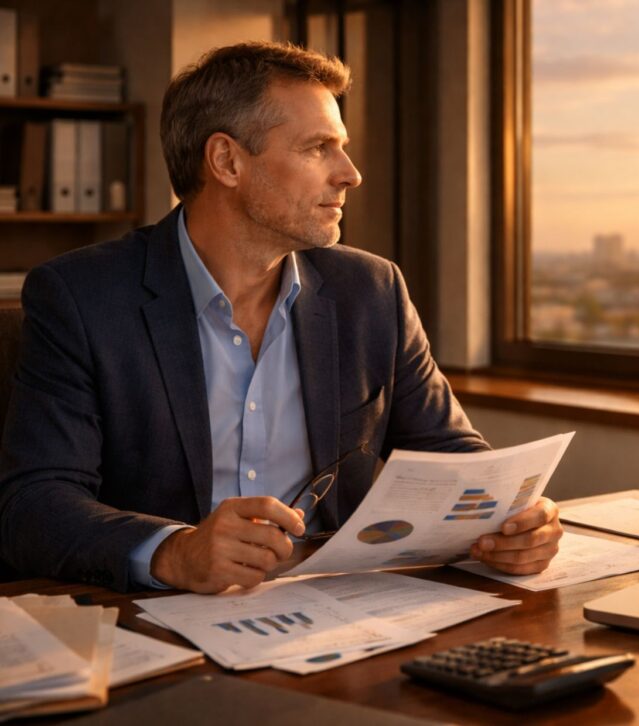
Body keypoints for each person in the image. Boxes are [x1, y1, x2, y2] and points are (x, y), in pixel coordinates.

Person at [0, 42, 562, 593]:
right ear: (227, 161)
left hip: (344, 606)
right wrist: (174, 550)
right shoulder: (80, 296)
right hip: (160, 622)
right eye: (319, 147)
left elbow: (455, 457)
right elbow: (34, 503)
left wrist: (513, 521)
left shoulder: (371, 290)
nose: (350, 173)